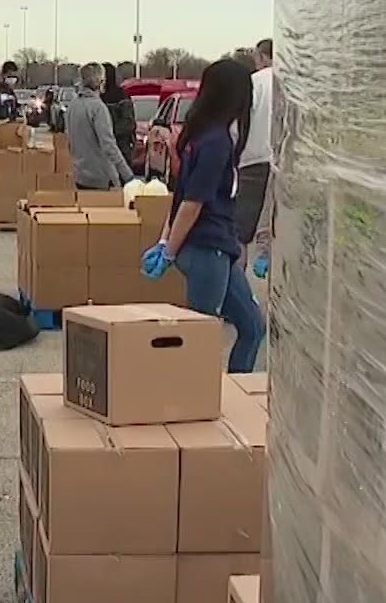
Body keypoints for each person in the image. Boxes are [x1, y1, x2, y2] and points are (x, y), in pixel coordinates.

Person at [142, 60, 265, 373]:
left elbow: (180, 194)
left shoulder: (200, 137)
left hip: (216, 249)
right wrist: (168, 249)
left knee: (252, 327)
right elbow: (192, 203)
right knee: (201, 336)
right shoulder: (215, 143)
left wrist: (166, 239)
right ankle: (188, 401)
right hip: (206, 249)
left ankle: (235, 391)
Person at [69, 62, 133, 191]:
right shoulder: (98, 108)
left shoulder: (73, 105)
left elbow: (70, 141)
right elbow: (108, 145)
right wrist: (128, 176)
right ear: (100, 81)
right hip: (101, 177)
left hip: (80, 175)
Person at [235, 39, 275, 245]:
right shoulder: (293, 84)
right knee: (277, 230)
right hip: (286, 166)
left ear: (262, 57)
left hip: (253, 160)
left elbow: (238, 123)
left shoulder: (254, 82)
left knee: (241, 233)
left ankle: (236, 275)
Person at [102, 62, 138, 163]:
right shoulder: (95, 98)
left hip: (119, 149)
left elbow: (128, 123)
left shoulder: (121, 98)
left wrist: (106, 133)